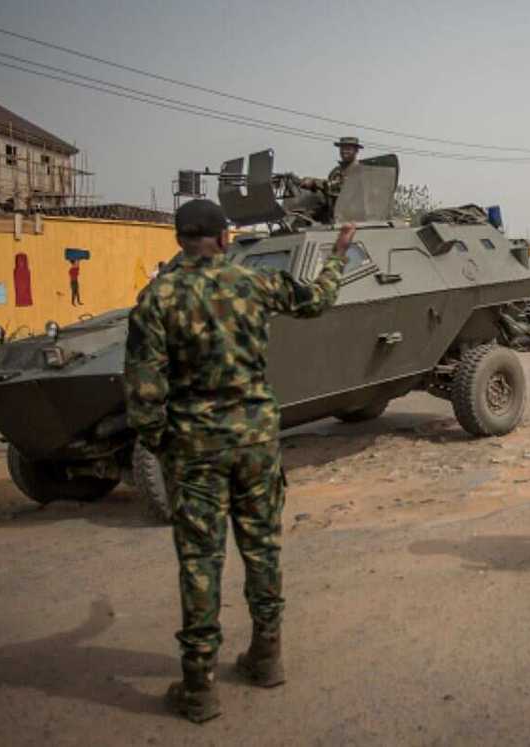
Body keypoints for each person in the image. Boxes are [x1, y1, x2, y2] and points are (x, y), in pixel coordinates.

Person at [124, 199, 354, 723]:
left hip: (195, 449)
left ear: (180, 239)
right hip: (255, 442)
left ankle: (200, 688)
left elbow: (142, 390)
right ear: (225, 239)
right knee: (262, 548)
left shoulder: (156, 297)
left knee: (201, 563)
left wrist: (164, 444)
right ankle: (267, 657)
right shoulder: (253, 283)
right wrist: (338, 254)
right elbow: (318, 300)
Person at [298, 136, 363, 214]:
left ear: (356, 151)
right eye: (342, 149)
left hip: (352, 214)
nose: (344, 151)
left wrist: (315, 182)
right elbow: (327, 192)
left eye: (348, 149)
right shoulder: (335, 171)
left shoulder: (360, 171)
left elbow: (344, 188)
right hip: (333, 214)